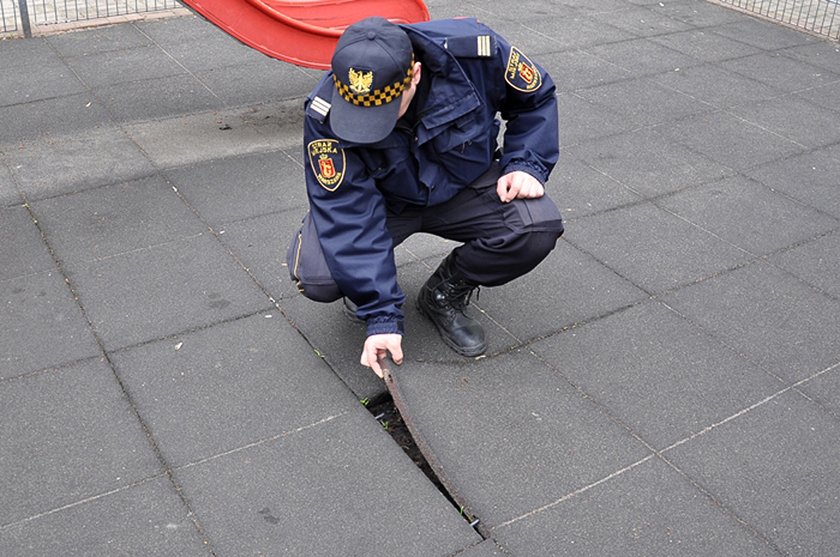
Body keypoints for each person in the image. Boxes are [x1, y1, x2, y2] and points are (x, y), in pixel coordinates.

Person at [291, 16, 564, 379]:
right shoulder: (325, 113)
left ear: (415, 75)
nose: (371, 125)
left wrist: (526, 163)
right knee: (319, 276)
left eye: (384, 112)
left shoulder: (476, 54)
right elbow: (345, 208)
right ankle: (370, 286)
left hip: (465, 185)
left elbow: (534, 100)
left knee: (536, 227)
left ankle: (443, 291)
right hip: (385, 202)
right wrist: (382, 314)